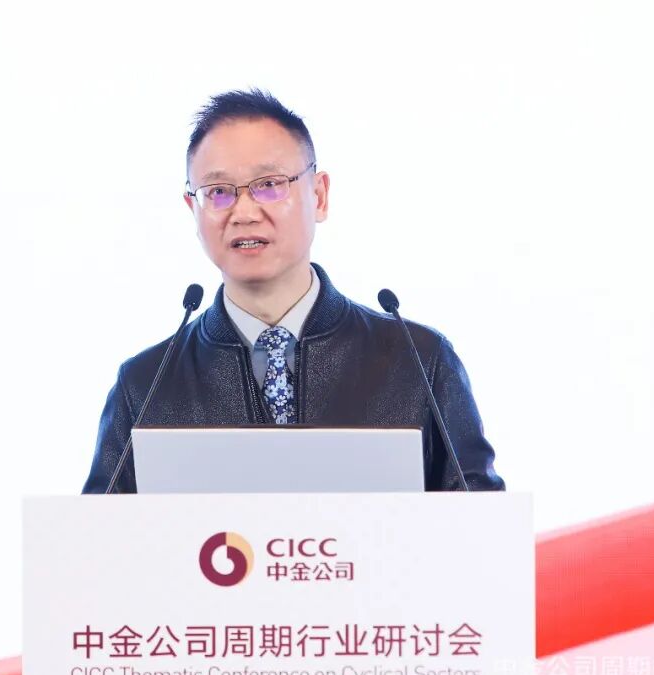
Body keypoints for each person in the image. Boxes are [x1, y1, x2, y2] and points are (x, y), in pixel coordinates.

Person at [82, 89, 504, 494]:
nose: (244, 213)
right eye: (219, 193)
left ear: (318, 196)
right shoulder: (145, 385)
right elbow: (98, 536)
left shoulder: (419, 361)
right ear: (194, 209)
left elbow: (483, 527)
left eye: (269, 184)